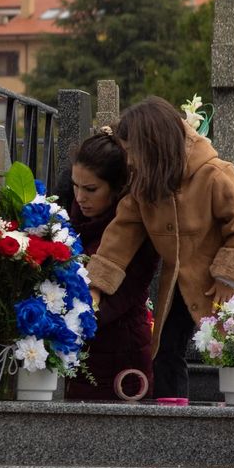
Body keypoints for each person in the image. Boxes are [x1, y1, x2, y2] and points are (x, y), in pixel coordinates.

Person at [88, 97, 234, 399]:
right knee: (166, 352)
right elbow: (120, 237)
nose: (129, 161)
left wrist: (228, 277)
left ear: (151, 145)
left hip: (226, 286)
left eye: (132, 152)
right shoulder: (145, 186)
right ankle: (172, 420)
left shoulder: (215, 174)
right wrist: (95, 286)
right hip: (179, 285)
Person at [65, 131, 157, 401]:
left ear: (117, 188)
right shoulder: (74, 220)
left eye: (91, 189)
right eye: (75, 186)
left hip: (122, 353)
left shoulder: (134, 231)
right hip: (83, 356)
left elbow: (109, 305)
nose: (80, 197)